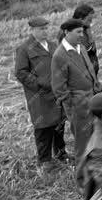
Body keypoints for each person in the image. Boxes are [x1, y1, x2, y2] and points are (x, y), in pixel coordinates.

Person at [14, 16, 68, 170]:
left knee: (59, 123)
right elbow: (21, 73)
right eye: (41, 29)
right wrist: (39, 84)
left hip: (56, 93)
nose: (45, 31)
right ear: (32, 30)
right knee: (43, 126)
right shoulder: (24, 49)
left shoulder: (53, 45)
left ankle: (61, 153)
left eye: (46, 28)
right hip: (39, 96)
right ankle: (44, 161)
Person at [51, 18, 102, 166]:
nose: (82, 35)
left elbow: (90, 71)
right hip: (77, 105)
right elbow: (59, 87)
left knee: (95, 136)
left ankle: (95, 167)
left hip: (92, 99)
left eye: (83, 31)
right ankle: (83, 175)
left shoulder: (81, 47)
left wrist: (96, 86)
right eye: (78, 32)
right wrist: (73, 105)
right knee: (82, 141)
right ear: (67, 32)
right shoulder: (60, 55)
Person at [73, 4, 99, 77]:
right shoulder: (70, 32)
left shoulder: (86, 29)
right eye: (89, 20)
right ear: (80, 18)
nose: (91, 22)